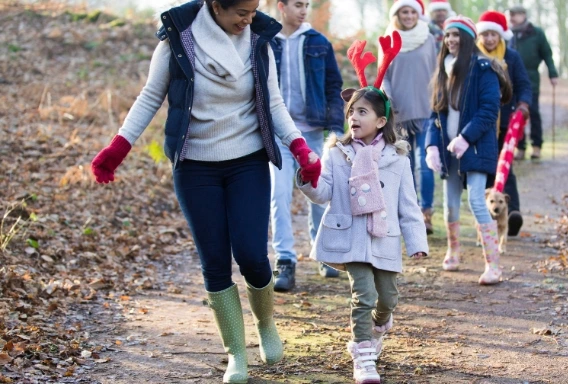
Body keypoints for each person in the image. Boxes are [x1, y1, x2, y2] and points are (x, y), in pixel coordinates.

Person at [89, 0, 322, 382]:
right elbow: (150, 96)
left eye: (253, 11)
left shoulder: (259, 39)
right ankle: (236, 354)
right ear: (216, 5)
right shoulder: (178, 39)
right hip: (195, 165)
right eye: (241, 13)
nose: (249, 20)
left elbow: (274, 103)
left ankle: (265, 322)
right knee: (214, 261)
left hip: (247, 161)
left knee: (251, 254)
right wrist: (118, 147)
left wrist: (299, 147)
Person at [298, 33, 429, 384]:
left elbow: (408, 206)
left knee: (387, 300)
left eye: (362, 111)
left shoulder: (398, 160)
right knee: (364, 295)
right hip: (351, 237)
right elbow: (323, 192)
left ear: (381, 121)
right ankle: (363, 356)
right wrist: (308, 177)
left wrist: (417, 242)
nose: (353, 117)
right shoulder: (336, 153)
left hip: (384, 238)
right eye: (351, 112)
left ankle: (378, 326)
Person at [425, 16, 511, 285]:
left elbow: (489, 110)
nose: (451, 40)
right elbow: (435, 114)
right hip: (448, 149)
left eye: (457, 35)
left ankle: (493, 266)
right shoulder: (443, 70)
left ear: (468, 39)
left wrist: (465, 137)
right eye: (448, 35)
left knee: (476, 200)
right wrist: (431, 146)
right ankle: (453, 251)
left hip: (475, 146)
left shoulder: (483, 68)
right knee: (450, 206)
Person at [268, 0, 345, 291]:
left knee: (320, 196)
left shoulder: (318, 42)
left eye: (307, 5)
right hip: (278, 134)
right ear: (282, 6)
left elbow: (333, 87)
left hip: (312, 132)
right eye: (298, 4)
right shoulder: (265, 41)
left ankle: (322, 251)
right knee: (279, 195)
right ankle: (285, 260)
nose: (303, 10)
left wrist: (336, 130)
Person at [382, 0, 437, 234]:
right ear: (397, 15)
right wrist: (388, 98)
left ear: (418, 14)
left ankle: (426, 212)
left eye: (412, 12)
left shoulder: (429, 39)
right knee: (406, 164)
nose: (408, 16)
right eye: (404, 12)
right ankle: (410, 213)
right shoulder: (388, 39)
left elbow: (436, 72)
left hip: (426, 109)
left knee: (425, 163)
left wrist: (438, 101)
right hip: (399, 112)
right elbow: (384, 74)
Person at [475, 10, 533, 236]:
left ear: (501, 36)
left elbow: (524, 85)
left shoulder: (511, 57)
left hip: (505, 122)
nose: (490, 39)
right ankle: (487, 217)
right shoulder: (472, 57)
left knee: (505, 168)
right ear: (480, 36)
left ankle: (512, 213)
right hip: (481, 124)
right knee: (485, 170)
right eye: (485, 34)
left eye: (494, 34)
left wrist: (523, 104)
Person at [506, 5, 558, 160]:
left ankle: (537, 146)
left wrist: (552, 73)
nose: (512, 18)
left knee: (533, 112)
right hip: (511, 79)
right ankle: (520, 147)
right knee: (515, 113)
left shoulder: (536, 33)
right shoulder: (508, 34)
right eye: (510, 15)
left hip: (531, 79)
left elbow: (547, 54)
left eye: (515, 14)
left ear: (523, 15)